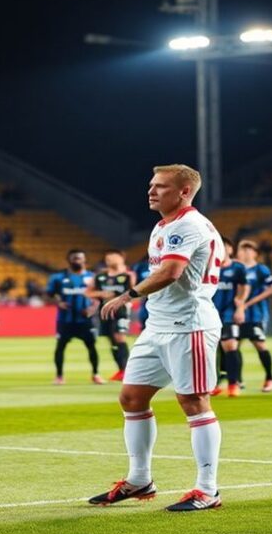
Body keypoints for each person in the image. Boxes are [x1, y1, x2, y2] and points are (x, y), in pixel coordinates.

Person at [89, 164, 224, 512]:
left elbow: (171, 271)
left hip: (189, 325)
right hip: (158, 325)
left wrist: (127, 295)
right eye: (151, 185)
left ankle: (207, 490)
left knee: (193, 402)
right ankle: (139, 479)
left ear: (183, 192)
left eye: (161, 186)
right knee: (132, 398)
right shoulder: (164, 225)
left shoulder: (188, 225)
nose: (151, 191)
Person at [46, 249, 103, 385]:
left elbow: (99, 297)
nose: (77, 260)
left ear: (85, 261)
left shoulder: (93, 277)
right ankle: (59, 376)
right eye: (74, 258)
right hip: (65, 320)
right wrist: (58, 302)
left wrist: (92, 308)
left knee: (91, 346)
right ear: (69, 260)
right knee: (60, 347)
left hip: (86, 320)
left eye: (79, 258)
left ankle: (95, 374)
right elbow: (49, 294)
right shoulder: (58, 278)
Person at [235, 239, 272, 392]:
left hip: (255, 314)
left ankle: (270, 378)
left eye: (249, 249)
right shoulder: (234, 268)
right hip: (233, 314)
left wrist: (250, 302)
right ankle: (237, 380)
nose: (245, 253)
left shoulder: (261, 270)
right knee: (233, 346)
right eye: (242, 249)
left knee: (259, 344)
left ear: (255, 253)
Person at [90, 250, 135, 382]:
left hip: (121, 310)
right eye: (108, 258)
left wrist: (125, 300)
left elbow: (134, 292)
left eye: (113, 257)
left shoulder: (128, 275)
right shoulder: (100, 276)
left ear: (121, 258)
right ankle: (120, 369)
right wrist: (101, 294)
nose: (110, 260)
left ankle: (127, 371)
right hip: (104, 311)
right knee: (111, 340)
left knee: (119, 337)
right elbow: (88, 292)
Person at [211, 237, 248, 397]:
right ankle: (212, 384)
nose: (222, 249)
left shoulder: (238, 268)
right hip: (209, 313)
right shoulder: (208, 266)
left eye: (225, 246)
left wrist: (240, 308)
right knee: (210, 350)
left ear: (231, 249)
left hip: (228, 313)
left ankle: (234, 384)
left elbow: (243, 288)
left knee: (231, 346)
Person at [132, 255, 151, 330]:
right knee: (144, 314)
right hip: (145, 296)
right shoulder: (141, 266)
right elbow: (135, 281)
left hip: (161, 297)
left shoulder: (164, 263)